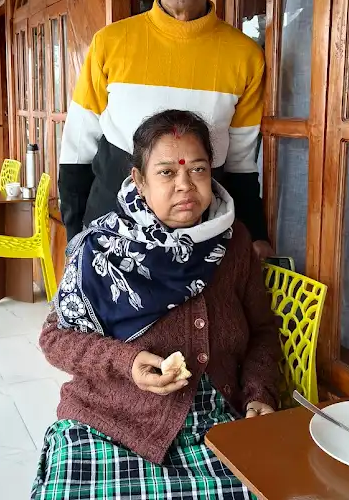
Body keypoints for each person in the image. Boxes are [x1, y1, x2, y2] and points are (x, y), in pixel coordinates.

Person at [33, 110, 279, 499]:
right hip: (110, 420)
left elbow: (263, 331)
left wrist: (259, 393)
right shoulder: (101, 248)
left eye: (198, 169)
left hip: (216, 422)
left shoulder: (234, 243)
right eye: (166, 172)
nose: (185, 185)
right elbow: (55, 340)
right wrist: (126, 362)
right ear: (140, 180)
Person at [59, 0, 274, 260]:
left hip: (201, 243)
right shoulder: (109, 44)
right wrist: (75, 240)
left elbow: (241, 164)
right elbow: (76, 153)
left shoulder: (245, 57)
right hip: (111, 239)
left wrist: (256, 235)